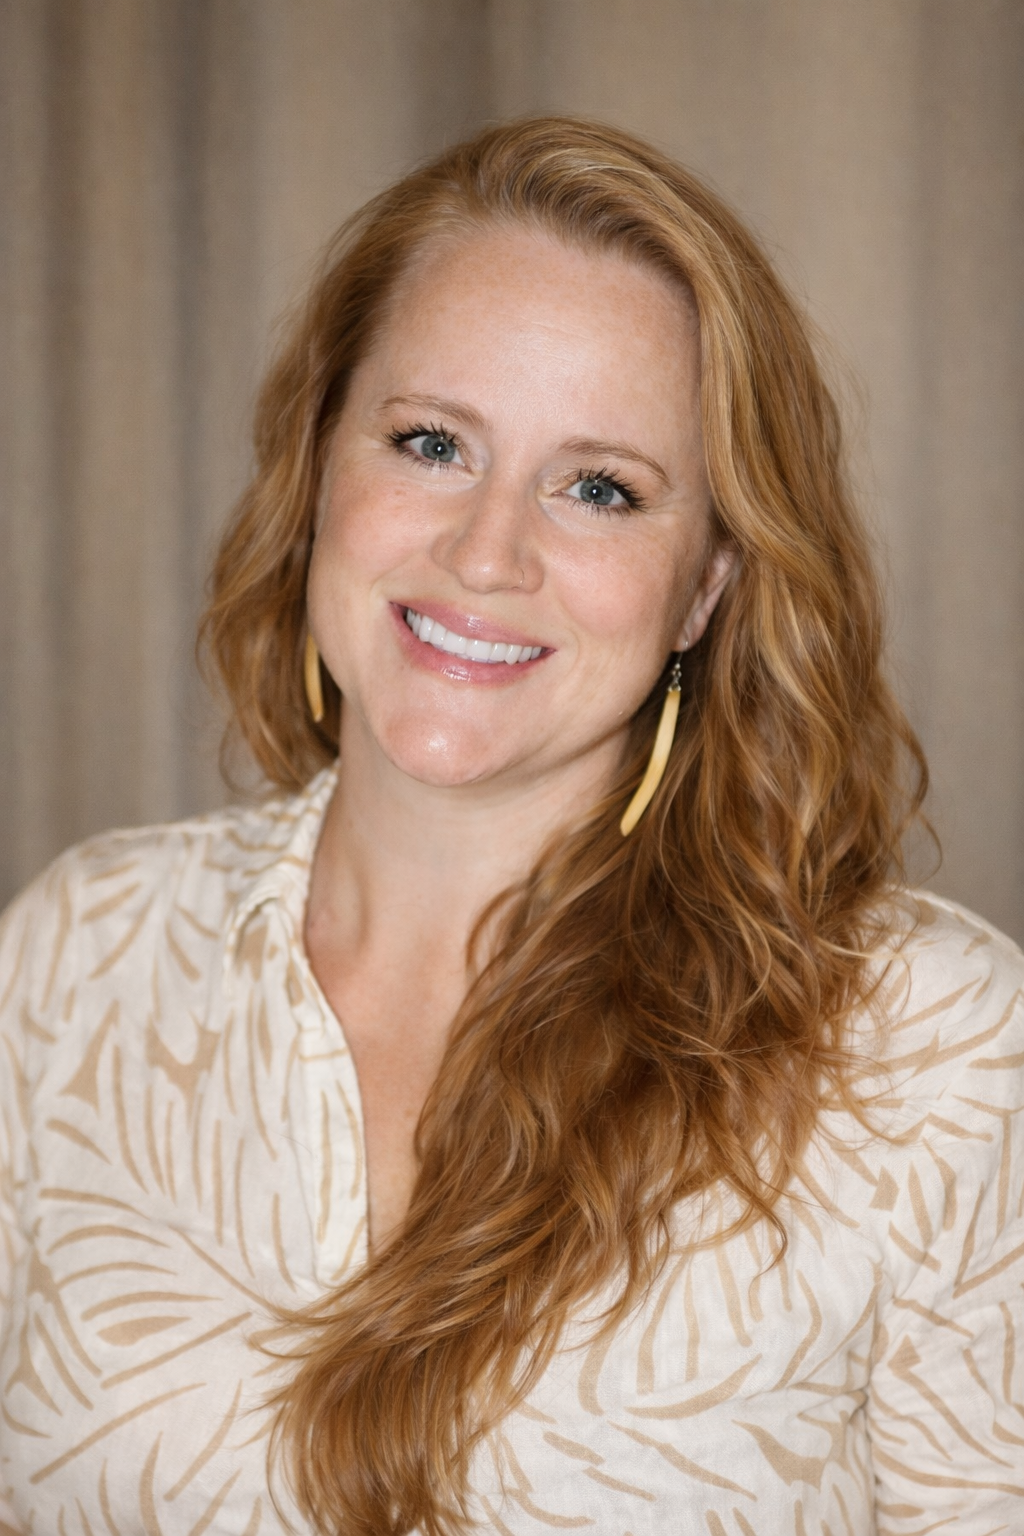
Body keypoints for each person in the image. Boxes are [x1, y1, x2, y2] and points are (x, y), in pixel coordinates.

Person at [0, 116, 1021, 1536]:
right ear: (316, 472)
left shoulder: (934, 1050)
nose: (488, 553)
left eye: (600, 488)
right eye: (431, 443)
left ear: (710, 587)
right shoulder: (73, 954)